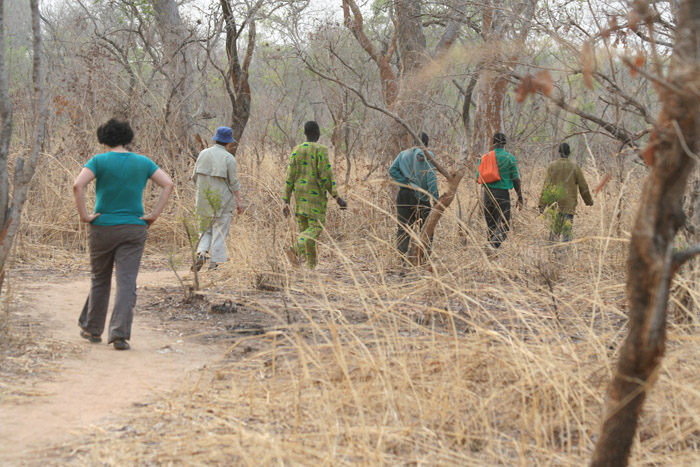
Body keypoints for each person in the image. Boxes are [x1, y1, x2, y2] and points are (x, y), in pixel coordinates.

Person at [73, 118, 174, 350]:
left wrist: (85, 216)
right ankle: (119, 335)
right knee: (126, 281)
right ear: (128, 138)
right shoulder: (143, 162)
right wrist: (153, 215)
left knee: (100, 279)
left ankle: (92, 329)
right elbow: (168, 184)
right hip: (134, 227)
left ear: (103, 139)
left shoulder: (98, 161)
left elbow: (78, 186)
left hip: (103, 227)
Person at [282, 121, 347, 269]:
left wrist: (285, 199)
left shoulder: (296, 150)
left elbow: (289, 176)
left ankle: (311, 268)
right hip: (315, 200)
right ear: (317, 134)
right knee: (315, 229)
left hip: (299, 198)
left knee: (307, 234)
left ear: (305, 134)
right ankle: (294, 250)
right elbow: (327, 176)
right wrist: (337, 197)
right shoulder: (320, 150)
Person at [192, 126, 244, 271]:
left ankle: (202, 253)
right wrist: (239, 202)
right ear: (228, 143)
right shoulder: (229, 158)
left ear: (216, 139)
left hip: (203, 199)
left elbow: (194, 177)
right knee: (219, 231)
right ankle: (214, 263)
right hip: (223, 202)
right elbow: (234, 183)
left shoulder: (203, 154)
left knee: (204, 230)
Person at [389, 132, 439, 258]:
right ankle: (424, 257)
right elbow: (431, 178)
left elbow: (392, 170)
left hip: (404, 194)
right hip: (421, 196)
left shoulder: (403, 154)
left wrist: (405, 183)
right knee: (427, 228)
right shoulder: (428, 155)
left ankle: (402, 258)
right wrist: (435, 198)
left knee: (403, 228)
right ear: (427, 143)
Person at [538, 142, 594, 242]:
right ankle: (564, 254)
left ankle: (552, 252)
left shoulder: (552, 166)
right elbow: (583, 186)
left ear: (559, 152)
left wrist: (542, 205)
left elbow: (546, 186)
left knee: (554, 231)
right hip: (569, 205)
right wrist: (589, 201)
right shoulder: (574, 167)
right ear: (569, 153)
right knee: (567, 232)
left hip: (554, 203)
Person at [476, 132, 523, 250]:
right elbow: (516, 180)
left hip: (487, 194)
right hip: (502, 194)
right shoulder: (510, 158)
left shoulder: (485, 157)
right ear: (505, 143)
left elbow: (477, 177)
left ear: (493, 143)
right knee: (504, 225)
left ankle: (490, 251)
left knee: (491, 226)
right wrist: (520, 196)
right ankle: (492, 247)